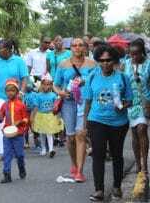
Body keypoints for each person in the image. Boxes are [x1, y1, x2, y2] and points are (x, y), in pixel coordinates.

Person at [84, 45, 133, 201]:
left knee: (116, 155)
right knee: (98, 154)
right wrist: (85, 125)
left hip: (118, 123)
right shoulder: (92, 76)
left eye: (108, 60)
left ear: (114, 60)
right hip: (96, 120)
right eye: (101, 60)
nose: (105, 63)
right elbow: (88, 102)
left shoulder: (122, 77)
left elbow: (130, 100)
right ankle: (99, 190)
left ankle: (117, 187)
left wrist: (122, 106)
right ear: (98, 61)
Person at [54, 38, 96, 182]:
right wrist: (60, 93)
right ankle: (73, 163)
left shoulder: (92, 64)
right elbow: (56, 84)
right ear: (70, 48)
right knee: (71, 137)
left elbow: (97, 81)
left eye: (80, 45)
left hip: (84, 102)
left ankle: (79, 171)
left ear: (85, 48)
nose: (77, 47)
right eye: (74, 45)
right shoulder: (63, 64)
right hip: (68, 102)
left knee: (81, 134)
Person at [0, 39, 28, 162]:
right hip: (0, 97)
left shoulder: (19, 61)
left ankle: (15, 148)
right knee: (1, 123)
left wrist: (22, 92)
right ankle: (1, 152)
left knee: (16, 122)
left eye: (1, 49)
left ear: (9, 50)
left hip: (16, 98)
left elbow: (24, 78)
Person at [124, 39, 150, 173]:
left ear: (142, 53)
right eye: (131, 54)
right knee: (134, 133)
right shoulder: (126, 64)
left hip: (145, 102)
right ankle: (138, 165)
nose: (134, 57)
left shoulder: (148, 64)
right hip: (130, 102)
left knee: (142, 129)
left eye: (137, 54)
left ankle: (145, 164)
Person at [0, 79, 28, 183]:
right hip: (7, 133)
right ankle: (7, 174)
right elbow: (0, 117)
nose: (10, 93)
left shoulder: (21, 105)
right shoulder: (4, 105)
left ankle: (21, 168)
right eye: (8, 91)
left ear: (17, 91)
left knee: (19, 155)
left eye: (12, 90)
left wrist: (19, 122)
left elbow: (26, 119)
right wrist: (0, 117)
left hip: (18, 134)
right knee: (7, 154)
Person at [30, 73, 63, 158]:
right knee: (42, 134)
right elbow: (36, 107)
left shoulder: (53, 95)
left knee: (49, 133)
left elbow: (56, 108)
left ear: (51, 85)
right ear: (41, 85)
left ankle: (51, 149)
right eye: (44, 84)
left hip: (50, 116)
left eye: (48, 85)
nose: (46, 87)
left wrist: (59, 118)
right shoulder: (38, 96)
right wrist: (32, 117)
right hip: (41, 116)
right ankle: (44, 148)